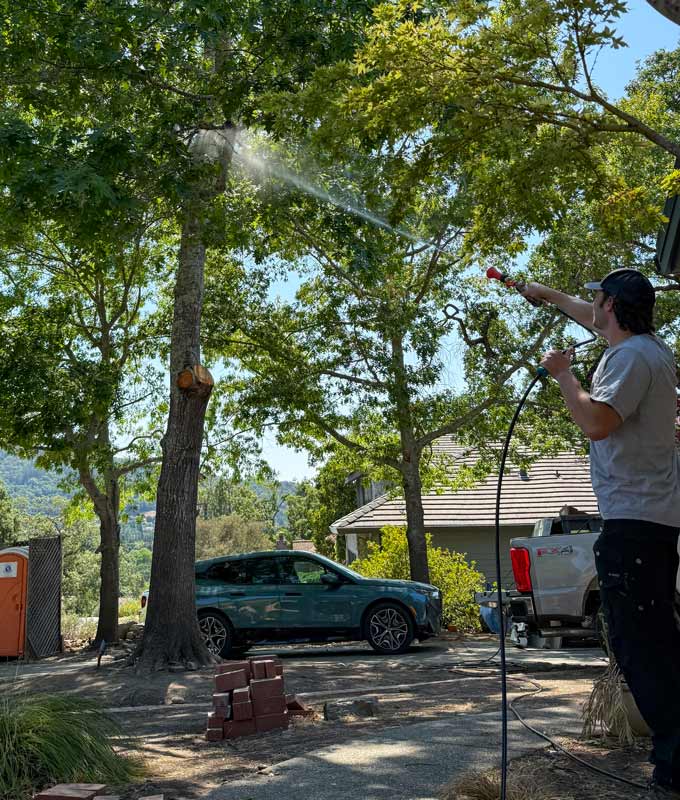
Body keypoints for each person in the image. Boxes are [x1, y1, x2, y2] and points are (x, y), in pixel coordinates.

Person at [521, 268, 680, 794]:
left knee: (642, 650)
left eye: (597, 299)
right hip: (646, 520)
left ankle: (676, 765)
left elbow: (597, 422)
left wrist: (564, 374)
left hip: (635, 525)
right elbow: (587, 316)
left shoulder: (632, 357)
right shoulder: (643, 349)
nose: (591, 306)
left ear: (611, 304)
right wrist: (542, 295)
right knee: (655, 644)